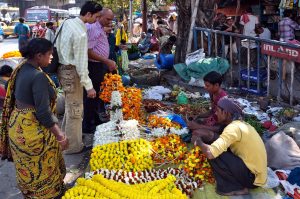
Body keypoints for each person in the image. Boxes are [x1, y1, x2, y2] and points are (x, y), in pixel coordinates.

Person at [0, 38, 68, 198]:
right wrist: (60, 135)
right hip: (32, 133)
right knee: (42, 169)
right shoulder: (38, 77)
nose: (52, 58)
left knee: (28, 171)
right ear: (38, 56)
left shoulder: (21, 67)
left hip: (17, 128)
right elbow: (43, 113)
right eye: (49, 54)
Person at [193, 97, 267, 196]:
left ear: (227, 113)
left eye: (218, 111)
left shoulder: (233, 128)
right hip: (257, 175)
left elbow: (210, 153)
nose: (216, 113)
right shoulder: (241, 125)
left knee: (213, 152)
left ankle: (233, 188)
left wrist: (198, 142)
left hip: (252, 179)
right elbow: (222, 139)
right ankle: (237, 183)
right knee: (214, 144)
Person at [56, 1, 102, 154]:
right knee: (75, 110)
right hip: (72, 71)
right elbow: (82, 63)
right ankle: (73, 147)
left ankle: (64, 140)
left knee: (71, 107)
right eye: (96, 17)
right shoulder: (81, 33)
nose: (96, 20)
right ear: (88, 14)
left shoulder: (68, 22)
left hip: (62, 69)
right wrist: (89, 86)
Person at [84, 8, 117, 135]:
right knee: (91, 96)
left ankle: (95, 119)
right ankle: (88, 125)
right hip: (93, 66)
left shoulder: (99, 28)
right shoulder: (93, 28)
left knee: (97, 95)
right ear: (99, 16)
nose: (110, 22)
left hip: (99, 65)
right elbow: (88, 51)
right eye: (108, 19)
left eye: (111, 19)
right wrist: (106, 61)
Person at [187, 71, 227, 142]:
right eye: (205, 85)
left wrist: (199, 126)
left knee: (196, 132)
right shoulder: (212, 93)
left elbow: (221, 128)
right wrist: (198, 116)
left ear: (216, 85)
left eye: (207, 86)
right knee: (192, 122)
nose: (205, 87)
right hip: (211, 123)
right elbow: (212, 111)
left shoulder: (223, 100)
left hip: (220, 131)